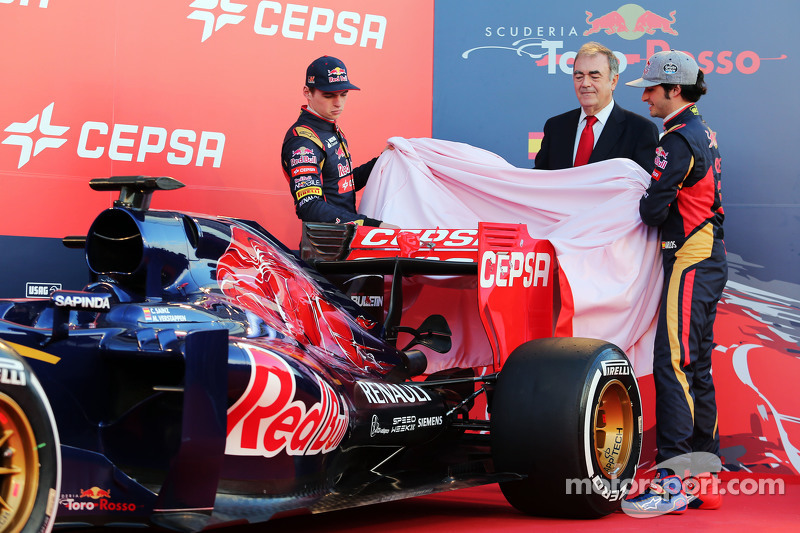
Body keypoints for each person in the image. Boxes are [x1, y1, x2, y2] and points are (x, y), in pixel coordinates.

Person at [621, 50, 726, 516]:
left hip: (690, 259)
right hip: (706, 259)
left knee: (675, 364)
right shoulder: (700, 130)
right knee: (696, 365)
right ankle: (705, 476)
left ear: (675, 90)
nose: (645, 96)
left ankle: (674, 479)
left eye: (651, 89)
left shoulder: (679, 138)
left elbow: (650, 210)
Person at [281, 56, 393, 227]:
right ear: (307, 92)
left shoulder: (329, 128)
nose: (338, 103)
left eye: (343, 94)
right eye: (328, 95)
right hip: (324, 248)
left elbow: (340, 185)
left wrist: (383, 161)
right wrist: (370, 224)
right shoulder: (303, 141)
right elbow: (309, 205)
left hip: (344, 242)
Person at [534, 42, 658, 171]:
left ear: (613, 81)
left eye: (594, 77)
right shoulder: (555, 127)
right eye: (579, 76)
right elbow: (540, 179)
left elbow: (645, 185)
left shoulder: (640, 130)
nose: (585, 83)